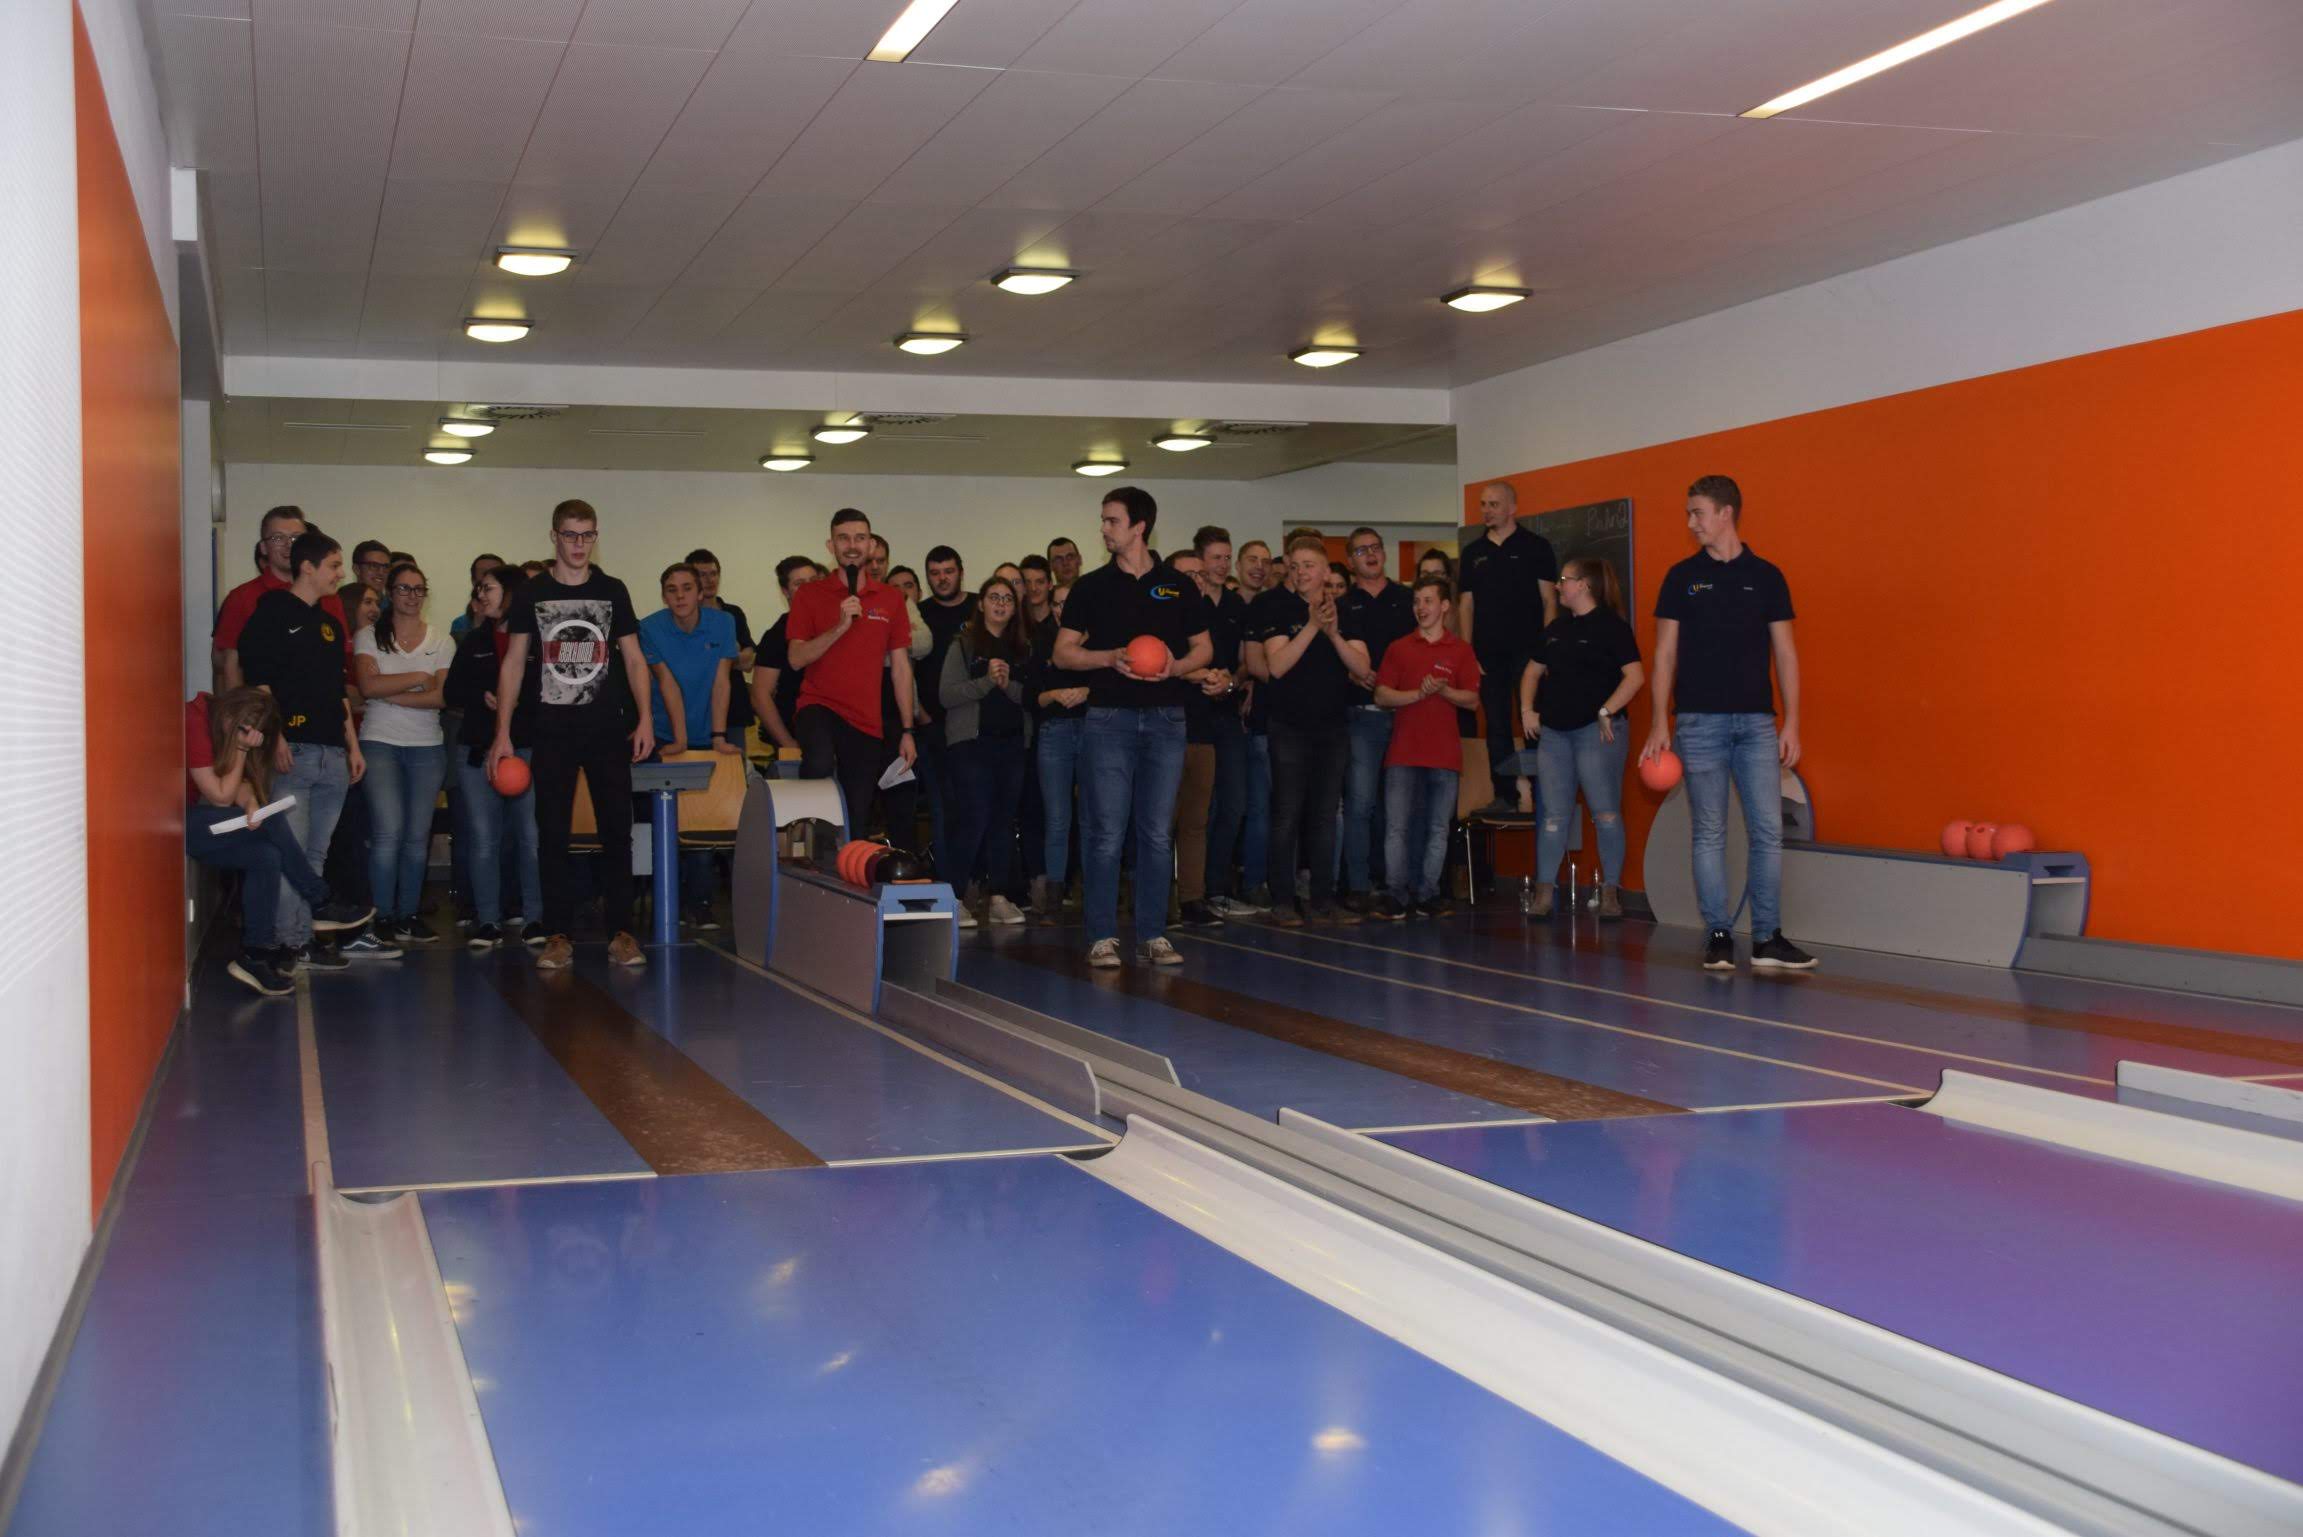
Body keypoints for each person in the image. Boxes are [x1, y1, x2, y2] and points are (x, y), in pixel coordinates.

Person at [1642, 475, 1816, 971]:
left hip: (1757, 724)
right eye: (1689, 513)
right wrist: (1659, 722)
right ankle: (1718, 934)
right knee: (1709, 831)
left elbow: (1786, 654)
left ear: (1726, 513)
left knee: (1767, 831)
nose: (1691, 522)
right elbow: (1664, 653)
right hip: (1698, 723)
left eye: (1697, 512)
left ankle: (1767, 938)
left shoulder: (1767, 577)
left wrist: (1792, 723)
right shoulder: (1681, 577)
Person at [490, 498, 655, 972]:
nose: (579, 544)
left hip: (606, 729)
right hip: (552, 730)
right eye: (570, 534)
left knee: (617, 832)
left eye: (587, 535)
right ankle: (557, 935)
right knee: (552, 835)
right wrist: (502, 733)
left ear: (595, 537)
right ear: (554, 537)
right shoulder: (533, 592)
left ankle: (621, 933)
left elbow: (635, 659)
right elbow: (513, 663)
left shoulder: (612, 590)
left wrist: (645, 718)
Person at [1054, 487, 1211, 967]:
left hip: (1166, 720)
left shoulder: (1178, 585)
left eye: (1112, 521)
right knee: (1106, 832)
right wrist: (1108, 658)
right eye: (1103, 520)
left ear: (1139, 527)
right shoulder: (1090, 587)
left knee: (1158, 833)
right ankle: (1102, 936)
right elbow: (1063, 653)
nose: (1103, 528)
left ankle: (1153, 935)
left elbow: (1204, 648)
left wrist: (1176, 667)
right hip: (1109, 720)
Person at [236, 529, 384, 971]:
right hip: (293, 751)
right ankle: (288, 942)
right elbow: (259, 681)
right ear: (308, 567)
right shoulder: (272, 612)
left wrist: (352, 745)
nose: (340, 574)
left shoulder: (330, 624)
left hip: (332, 753)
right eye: (335, 566)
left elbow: (338, 691)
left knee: (316, 854)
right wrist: (276, 736)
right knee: (292, 852)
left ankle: (302, 938)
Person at [187, 689, 376, 994]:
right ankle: (320, 900)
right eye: (246, 730)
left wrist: (250, 802)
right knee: (274, 820)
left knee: (266, 855)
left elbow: (240, 786)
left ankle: (255, 954)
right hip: (178, 823)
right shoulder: (195, 719)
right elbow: (220, 797)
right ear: (233, 716)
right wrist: (240, 750)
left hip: (200, 820)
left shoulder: (218, 718)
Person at [1250, 536, 1369, 926]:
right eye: (1295, 565)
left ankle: (1322, 900)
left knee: (1324, 815)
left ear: (1326, 572)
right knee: (1287, 814)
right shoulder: (1275, 605)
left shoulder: (1346, 610)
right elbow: (1277, 666)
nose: (1301, 572)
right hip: (1288, 726)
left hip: (1332, 726)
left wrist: (1332, 633)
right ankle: (1283, 899)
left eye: (1309, 565)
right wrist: (1312, 626)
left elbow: (1362, 667)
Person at [1518, 556, 1645, 920]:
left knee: (1605, 813)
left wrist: (1607, 710)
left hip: (1595, 732)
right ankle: (1544, 893)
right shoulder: (1556, 629)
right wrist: (1527, 710)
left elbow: (1635, 676)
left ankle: (1611, 893)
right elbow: (1531, 672)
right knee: (1553, 816)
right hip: (1555, 735)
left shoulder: (1612, 627)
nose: (1559, 586)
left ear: (1584, 585)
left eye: (1565, 580)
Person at [787, 508, 919, 840]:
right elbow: (796, 659)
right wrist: (840, 626)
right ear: (831, 546)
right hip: (819, 706)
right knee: (818, 763)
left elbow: (901, 668)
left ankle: (847, 866)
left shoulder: (890, 599)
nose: (852, 545)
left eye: (860, 538)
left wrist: (907, 730)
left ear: (871, 545)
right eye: (843, 538)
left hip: (865, 720)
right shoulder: (809, 595)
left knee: (857, 816)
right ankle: (806, 836)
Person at [352, 561, 454, 946]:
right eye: (403, 588)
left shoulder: (442, 641)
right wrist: (418, 679)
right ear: (390, 593)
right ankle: (381, 917)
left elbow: (441, 697)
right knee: (387, 832)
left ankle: (408, 914)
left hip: (427, 747)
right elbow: (367, 686)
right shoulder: (368, 636)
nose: (412, 596)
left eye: (418, 589)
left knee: (416, 836)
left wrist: (389, 693)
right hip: (380, 742)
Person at [1371, 577, 1481, 920]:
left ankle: (1427, 893)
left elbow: (1472, 700)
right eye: (1417, 601)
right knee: (1397, 827)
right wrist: (1418, 694)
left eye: (1428, 601)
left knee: (1437, 828)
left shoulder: (1460, 650)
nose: (1421, 607)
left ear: (1445, 606)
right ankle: (1396, 893)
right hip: (1403, 752)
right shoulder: (1399, 648)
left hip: (1444, 755)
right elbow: (1381, 694)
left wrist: (1444, 691)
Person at [641, 561, 741, 928]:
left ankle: (700, 905)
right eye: (672, 590)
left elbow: (722, 681)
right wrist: (680, 738)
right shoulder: (649, 627)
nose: (680, 596)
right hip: (665, 732)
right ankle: (668, 901)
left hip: (707, 727)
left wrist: (718, 737)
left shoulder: (723, 623)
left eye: (687, 588)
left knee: (702, 819)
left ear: (700, 593)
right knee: (666, 821)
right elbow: (665, 683)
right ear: (663, 596)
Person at [445, 565, 541, 948]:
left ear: (511, 593)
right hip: (477, 752)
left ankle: (535, 919)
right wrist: (482, 697)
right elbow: (451, 692)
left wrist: (517, 701)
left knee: (531, 838)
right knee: (483, 839)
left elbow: (550, 693)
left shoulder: (537, 641)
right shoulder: (472, 641)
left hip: (528, 749)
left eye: (488, 588)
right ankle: (487, 921)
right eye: (479, 589)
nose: (480, 596)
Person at [1458, 481, 1559, 813]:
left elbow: (1549, 600)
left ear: (1512, 508)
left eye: (1494, 504)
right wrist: (1468, 652)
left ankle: (1543, 793)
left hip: (1529, 653)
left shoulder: (1536, 547)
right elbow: (1466, 606)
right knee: (1496, 726)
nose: (1486, 510)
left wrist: (1546, 651)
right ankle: (1505, 795)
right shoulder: (1473, 553)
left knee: (1532, 722)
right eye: (1483, 504)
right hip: (1488, 655)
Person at [939, 576, 1032, 928]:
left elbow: (1029, 697)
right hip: (971, 744)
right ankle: (955, 895)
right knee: (973, 816)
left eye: (1008, 598)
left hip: (1012, 744)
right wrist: (986, 682)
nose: (1001, 604)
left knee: (1003, 821)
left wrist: (1007, 685)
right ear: (981, 604)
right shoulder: (963, 645)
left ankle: (999, 897)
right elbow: (946, 695)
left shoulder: (1023, 648)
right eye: (994, 597)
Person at [1337, 528, 1415, 912]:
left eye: (1375, 548)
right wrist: (1352, 672)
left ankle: (1394, 882)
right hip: (1363, 715)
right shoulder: (1343, 604)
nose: (1370, 554)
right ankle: (1358, 884)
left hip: (1406, 714)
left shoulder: (1407, 598)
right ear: (1350, 561)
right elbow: (1338, 658)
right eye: (1361, 551)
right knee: (1361, 802)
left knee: (1397, 806)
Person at [1172, 535, 1245, 927]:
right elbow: (1160, 665)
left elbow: (1232, 667)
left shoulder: (1207, 620)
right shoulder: (1160, 620)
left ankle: (1192, 898)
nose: (1196, 581)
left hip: (1204, 728)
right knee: (1161, 822)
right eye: (1186, 575)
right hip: (1166, 730)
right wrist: (1201, 673)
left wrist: (1225, 681)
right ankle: (1159, 899)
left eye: (1199, 575)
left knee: (1196, 821)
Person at [212, 505, 351, 689]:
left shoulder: (329, 597)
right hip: (264, 702)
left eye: (296, 537)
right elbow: (229, 665)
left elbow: (338, 661)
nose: (289, 544)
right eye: (278, 538)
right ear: (263, 547)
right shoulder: (242, 597)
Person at [917, 545, 977, 882]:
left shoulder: (980, 607)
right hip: (933, 727)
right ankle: (948, 885)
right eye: (935, 573)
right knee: (945, 807)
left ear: (961, 572)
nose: (942, 579)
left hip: (976, 727)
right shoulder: (919, 614)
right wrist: (920, 714)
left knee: (978, 806)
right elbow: (905, 670)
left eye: (948, 571)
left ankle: (979, 881)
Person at [1030, 582, 1089, 920]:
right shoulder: (1040, 640)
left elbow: (1115, 686)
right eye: (1057, 603)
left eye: (1069, 603)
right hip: (1053, 731)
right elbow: (1031, 697)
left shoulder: (1099, 640)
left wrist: (1087, 691)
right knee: (1057, 818)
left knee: (1093, 816)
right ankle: (1054, 898)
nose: (1062, 609)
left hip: (1094, 731)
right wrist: (1054, 695)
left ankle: (1093, 892)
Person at [750, 556, 822, 757]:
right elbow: (760, 695)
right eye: (799, 583)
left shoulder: (836, 625)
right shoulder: (776, 635)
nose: (809, 588)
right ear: (785, 591)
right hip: (795, 732)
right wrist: (788, 744)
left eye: (813, 581)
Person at [686, 547, 757, 744]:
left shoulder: (733, 613)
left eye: (714, 573)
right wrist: (731, 653)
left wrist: (719, 655)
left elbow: (749, 661)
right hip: (696, 707)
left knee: (735, 761)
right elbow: (691, 662)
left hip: (734, 708)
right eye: (702, 575)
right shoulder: (685, 616)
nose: (710, 580)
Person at [451, 553, 503, 638]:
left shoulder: (516, 622)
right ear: (473, 581)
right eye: (485, 573)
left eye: (496, 573)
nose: (490, 578)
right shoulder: (461, 625)